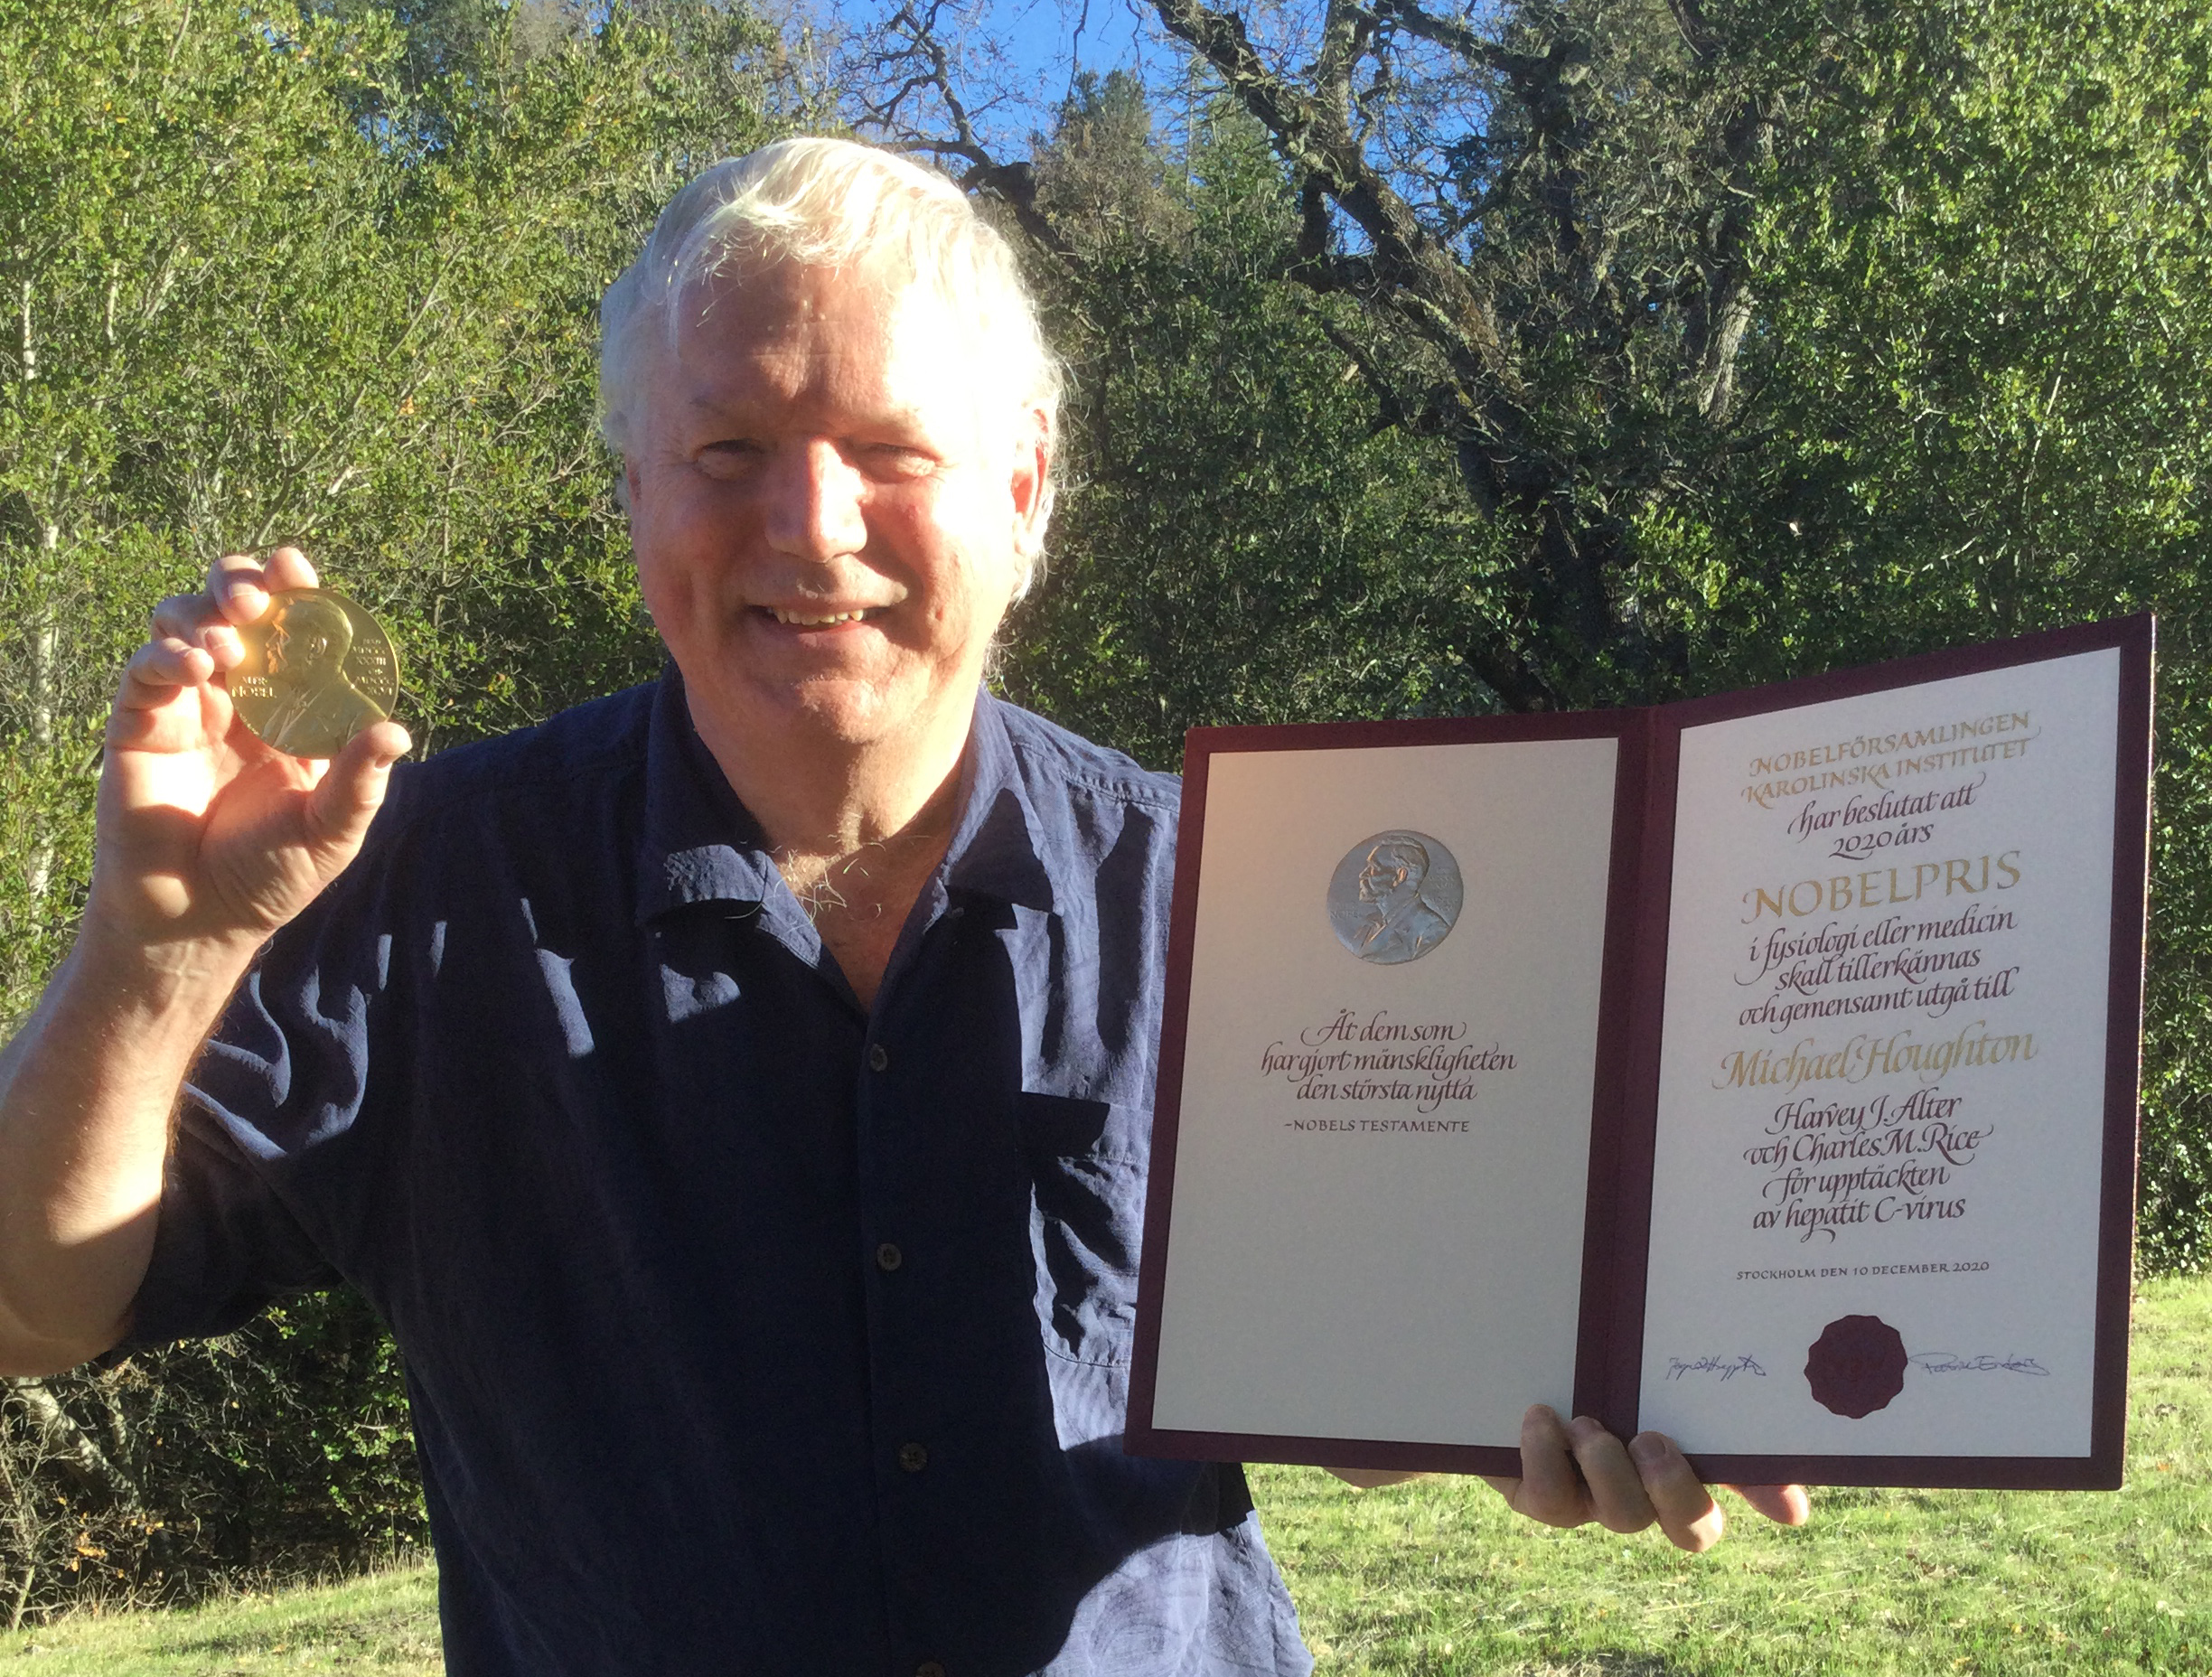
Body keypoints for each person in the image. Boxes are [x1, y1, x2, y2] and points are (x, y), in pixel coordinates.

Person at [0, 139, 1806, 1675]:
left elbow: (1362, 1380)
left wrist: (1534, 1402)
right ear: (633, 494)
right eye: (725, 452)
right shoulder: (417, 887)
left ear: (1023, 490)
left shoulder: (1231, 890)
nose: (809, 523)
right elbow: (35, 1306)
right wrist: (153, 962)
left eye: (889, 448)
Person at [254, 592, 389, 755]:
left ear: (316, 646)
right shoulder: (289, 706)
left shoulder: (363, 719)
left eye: (282, 635)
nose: (270, 643)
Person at [1350, 837, 1454, 962]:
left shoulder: (1432, 932)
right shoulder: (1369, 924)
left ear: (1401, 875)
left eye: (1373, 868)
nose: (1363, 874)